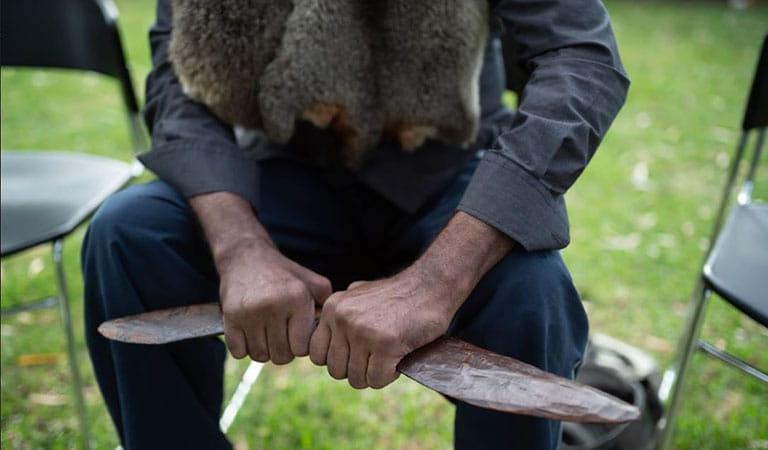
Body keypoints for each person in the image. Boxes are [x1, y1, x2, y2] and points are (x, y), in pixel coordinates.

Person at [82, 0, 629, 448]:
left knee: (533, 292)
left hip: (445, 176)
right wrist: (239, 248)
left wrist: (435, 283)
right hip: (282, 170)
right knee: (130, 235)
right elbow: (178, 81)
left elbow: (580, 57)